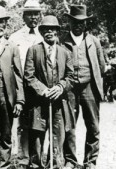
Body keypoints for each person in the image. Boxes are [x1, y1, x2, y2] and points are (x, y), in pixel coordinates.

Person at [24, 15, 74, 169]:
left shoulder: (64, 52)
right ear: (41, 32)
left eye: (52, 29)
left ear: (57, 31)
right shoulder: (33, 50)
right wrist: (43, 90)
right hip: (39, 103)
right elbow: (28, 75)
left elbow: (71, 76)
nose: (49, 32)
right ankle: (36, 165)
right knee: (37, 138)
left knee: (57, 137)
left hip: (58, 103)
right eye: (45, 29)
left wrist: (60, 87)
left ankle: (55, 165)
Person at [62, 5, 106, 169]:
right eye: (74, 22)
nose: (78, 25)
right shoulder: (62, 40)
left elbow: (101, 66)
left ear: (86, 23)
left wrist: (92, 81)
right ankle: (70, 160)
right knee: (69, 125)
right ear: (69, 22)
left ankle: (90, 161)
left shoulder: (94, 41)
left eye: (81, 22)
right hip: (70, 88)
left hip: (89, 88)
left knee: (93, 125)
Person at [0, 6, 25, 169]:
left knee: (6, 132)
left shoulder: (12, 46)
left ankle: (4, 164)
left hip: (7, 95)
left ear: (5, 24)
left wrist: (20, 100)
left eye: (1, 22)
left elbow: (18, 75)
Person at [8, 1, 44, 168]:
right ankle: (22, 160)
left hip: (39, 88)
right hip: (21, 87)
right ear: (23, 16)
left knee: (38, 124)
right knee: (23, 124)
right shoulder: (14, 38)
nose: (33, 17)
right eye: (30, 14)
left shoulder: (45, 35)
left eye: (36, 14)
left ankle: (36, 160)